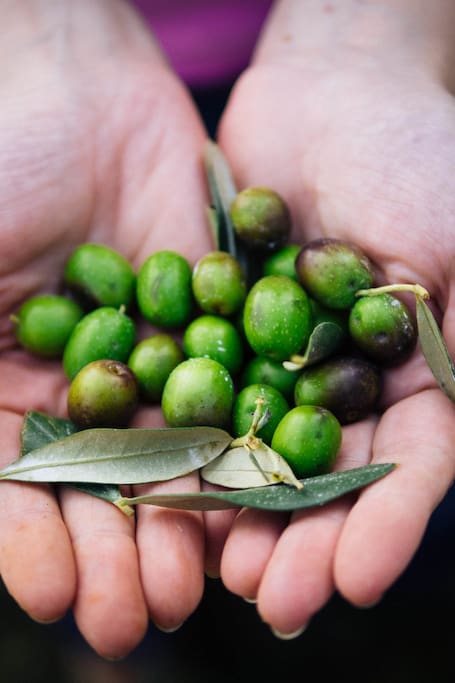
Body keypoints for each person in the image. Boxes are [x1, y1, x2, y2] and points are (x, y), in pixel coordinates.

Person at [0, 0, 454, 659]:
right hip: (111, 96)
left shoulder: (293, 326)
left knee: (414, 515)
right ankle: (123, 660)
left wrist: (367, 47)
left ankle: (402, 620)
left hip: (303, 86)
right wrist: (38, 42)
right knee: (97, 571)